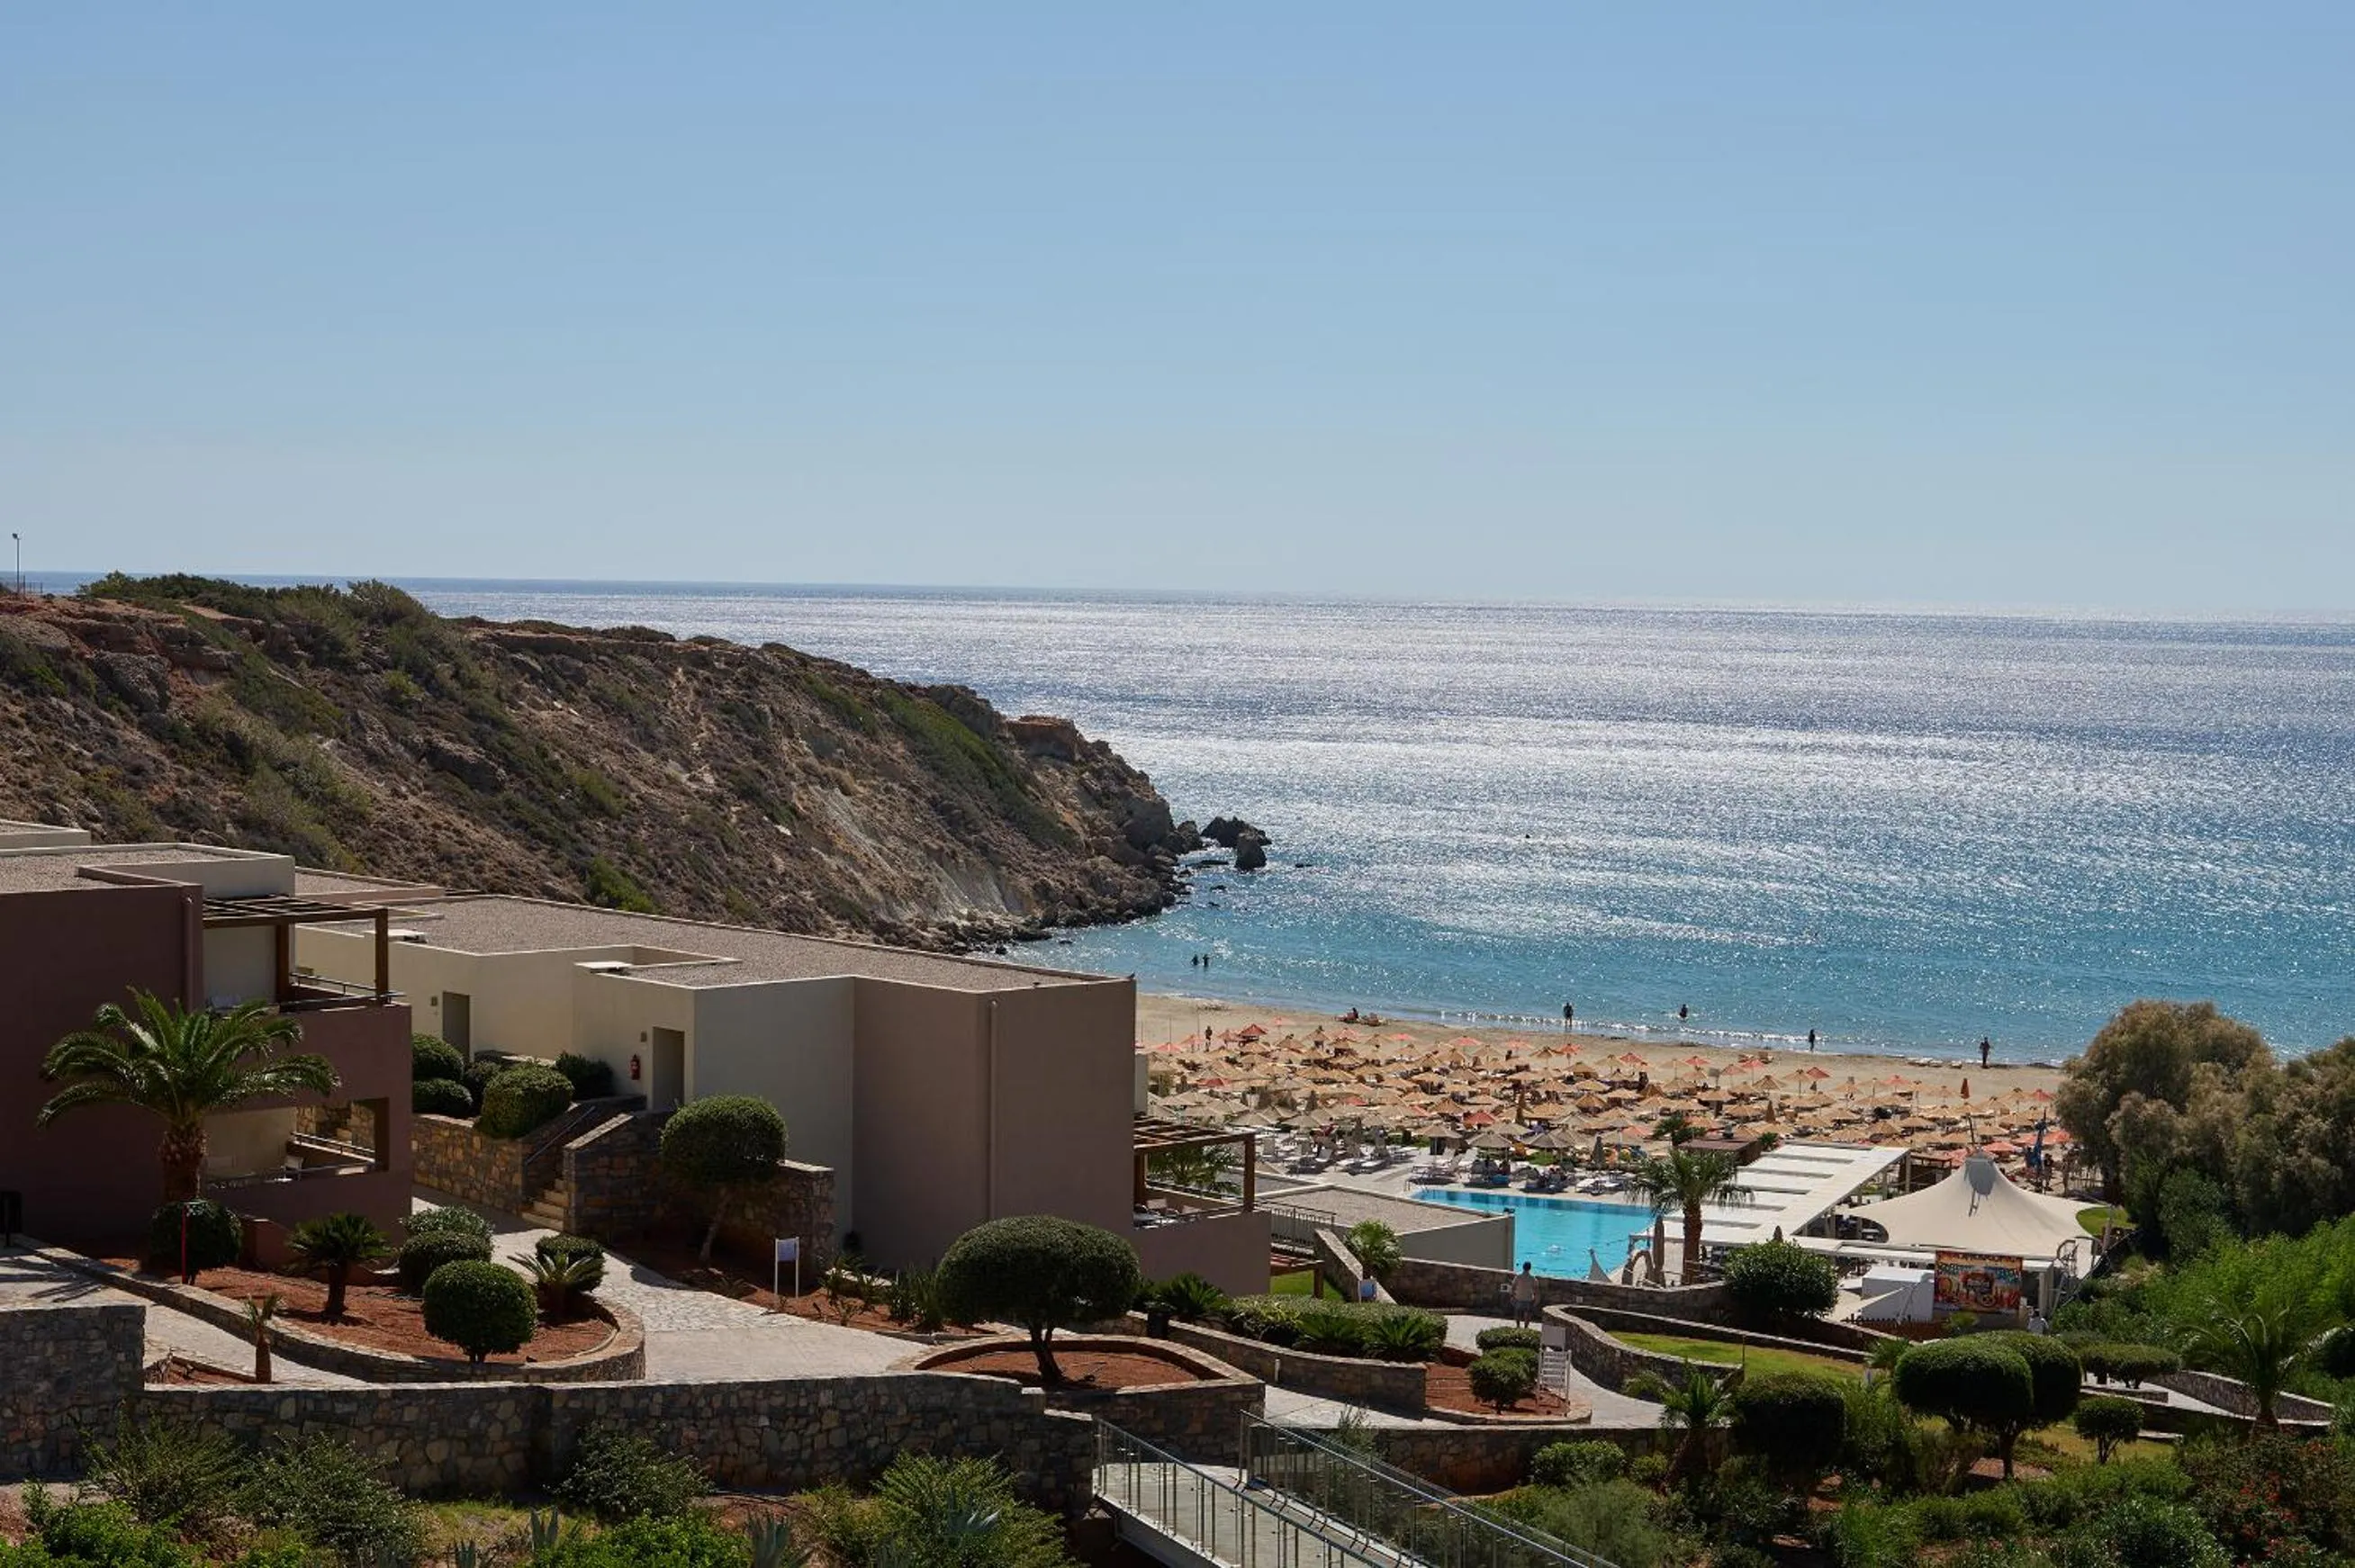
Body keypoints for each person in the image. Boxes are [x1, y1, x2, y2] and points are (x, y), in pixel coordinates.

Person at [1511, 1262, 1538, 1328]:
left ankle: (1518, 1326)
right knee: (1527, 1314)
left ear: (1523, 1267)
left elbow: (1513, 1287)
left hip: (1519, 1297)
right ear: (1530, 1268)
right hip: (1528, 1298)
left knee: (1517, 1313)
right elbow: (1536, 1289)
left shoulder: (1518, 1276)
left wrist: (1512, 1296)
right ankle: (1526, 1327)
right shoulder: (1533, 1278)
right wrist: (1536, 1299)